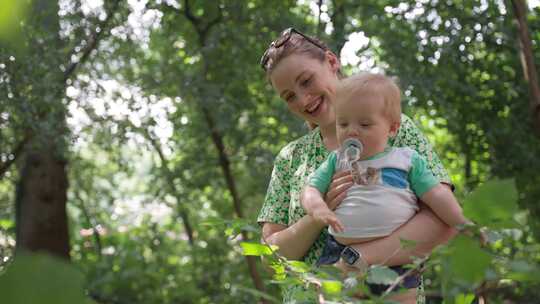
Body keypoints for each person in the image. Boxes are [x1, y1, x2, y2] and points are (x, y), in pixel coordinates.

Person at [257, 28, 456, 303]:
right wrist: (316, 216)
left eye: (306, 81)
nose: (303, 99)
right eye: (289, 96)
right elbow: (270, 258)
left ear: (331, 62)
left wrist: (355, 262)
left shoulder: (395, 130)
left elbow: (443, 219)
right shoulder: (290, 158)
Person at [301, 73, 468, 302]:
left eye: (365, 124)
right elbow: (311, 189)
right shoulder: (336, 159)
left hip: (395, 258)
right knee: (331, 296)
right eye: (343, 123)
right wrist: (317, 206)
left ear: (392, 128)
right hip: (339, 252)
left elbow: (437, 195)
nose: (351, 131)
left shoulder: (406, 160)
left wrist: (463, 223)